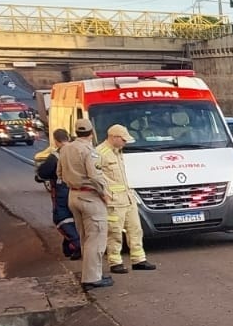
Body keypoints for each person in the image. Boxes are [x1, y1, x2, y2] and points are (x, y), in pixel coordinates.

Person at [58, 119, 112, 290]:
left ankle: (92, 272)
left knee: (85, 238)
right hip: (90, 196)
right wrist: (105, 194)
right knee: (96, 238)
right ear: (92, 133)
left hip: (73, 195)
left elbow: (59, 172)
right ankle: (91, 278)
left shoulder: (65, 149)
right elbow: (95, 176)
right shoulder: (90, 151)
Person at [97, 124, 155, 274]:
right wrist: (105, 194)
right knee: (114, 232)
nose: (125, 143)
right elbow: (94, 177)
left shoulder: (117, 151)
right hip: (114, 201)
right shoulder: (100, 153)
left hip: (128, 198)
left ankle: (138, 259)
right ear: (114, 137)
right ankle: (115, 262)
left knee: (136, 229)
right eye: (123, 140)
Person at [35, 129, 82, 260]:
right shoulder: (80, 151)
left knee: (61, 219)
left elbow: (42, 174)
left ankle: (78, 245)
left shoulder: (55, 156)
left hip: (63, 191)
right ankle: (70, 248)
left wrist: (39, 176)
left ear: (56, 141)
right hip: (82, 191)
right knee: (77, 219)